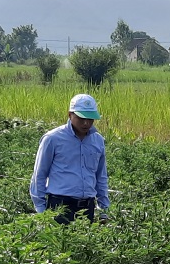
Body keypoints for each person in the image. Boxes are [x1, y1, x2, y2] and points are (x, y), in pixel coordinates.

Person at [30, 93, 110, 224]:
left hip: (87, 206)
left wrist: (104, 209)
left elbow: (101, 176)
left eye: (90, 119)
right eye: (81, 118)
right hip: (60, 204)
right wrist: (41, 210)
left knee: (84, 244)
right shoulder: (53, 139)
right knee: (58, 243)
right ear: (70, 115)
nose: (86, 123)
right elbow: (39, 174)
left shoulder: (98, 141)